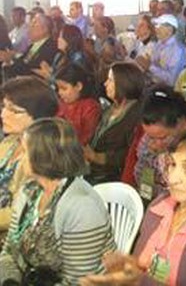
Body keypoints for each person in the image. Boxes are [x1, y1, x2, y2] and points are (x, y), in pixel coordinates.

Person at [81, 125, 186, 286]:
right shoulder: (160, 206)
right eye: (172, 165)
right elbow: (140, 266)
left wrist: (139, 281)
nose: (173, 178)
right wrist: (124, 270)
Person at [0, 118, 115, 285]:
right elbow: (9, 252)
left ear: (45, 157)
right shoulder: (29, 190)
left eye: (25, 151)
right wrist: (10, 282)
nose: (20, 156)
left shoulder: (82, 206)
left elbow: (79, 281)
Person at [0, 76, 59, 239]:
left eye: (13, 110)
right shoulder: (10, 141)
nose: (4, 114)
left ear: (37, 116)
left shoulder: (43, 157)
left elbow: (22, 210)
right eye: (4, 107)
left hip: (13, 237)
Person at [85, 62, 144, 184]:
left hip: (112, 177)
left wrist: (98, 157)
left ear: (124, 84)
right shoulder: (110, 109)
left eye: (110, 80)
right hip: (93, 170)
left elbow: (131, 154)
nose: (105, 84)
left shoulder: (136, 115)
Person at [0, 13, 58, 80]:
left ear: (45, 29)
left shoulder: (50, 46)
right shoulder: (33, 45)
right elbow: (24, 60)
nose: (29, 27)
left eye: (34, 24)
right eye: (30, 23)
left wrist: (10, 60)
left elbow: (32, 68)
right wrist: (12, 56)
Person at [56, 63, 102, 146]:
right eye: (58, 88)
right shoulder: (62, 102)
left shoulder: (90, 108)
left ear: (78, 86)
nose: (60, 92)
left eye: (64, 88)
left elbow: (86, 139)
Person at [137, 14, 186, 87]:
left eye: (160, 26)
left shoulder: (178, 50)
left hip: (169, 91)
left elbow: (172, 80)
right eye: (156, 26)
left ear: (170, 30)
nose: (156, 29)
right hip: (153, 85)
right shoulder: (158, 45)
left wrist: (149, 66)